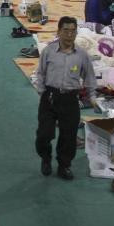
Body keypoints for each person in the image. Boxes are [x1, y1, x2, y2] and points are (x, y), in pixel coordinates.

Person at [34, 16, 96, 180]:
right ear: (58, 32)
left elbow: (89, 77)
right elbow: (40, 73)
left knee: (69, 136)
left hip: (70, 99)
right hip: (50, 97)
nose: (69, 35)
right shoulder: (49, 51)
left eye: (72, 31)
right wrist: (42, 92)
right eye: (66, 31)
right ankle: (45, 158)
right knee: (44, 134)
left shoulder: (82, 55)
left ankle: (64, 165)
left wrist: (93, 97)